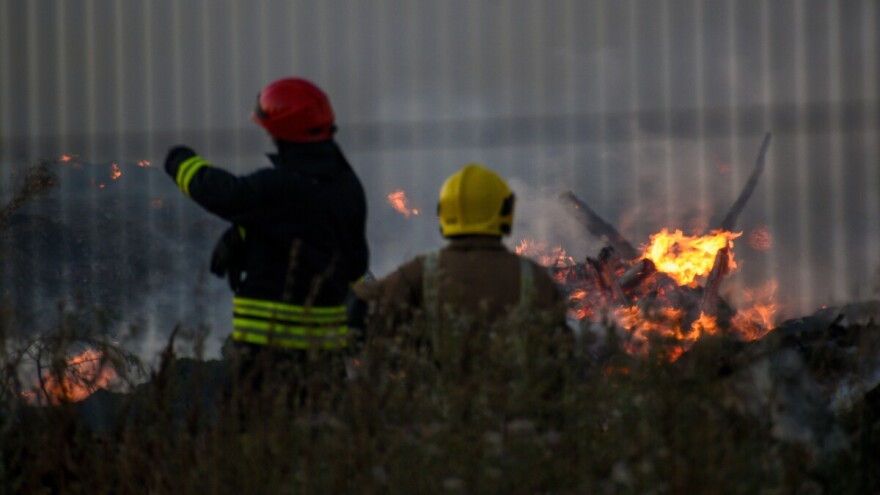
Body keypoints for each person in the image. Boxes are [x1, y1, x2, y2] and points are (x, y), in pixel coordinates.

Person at [164, 77, 369, 399]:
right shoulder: (348, 187)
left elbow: (224, 194)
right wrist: (245, 235)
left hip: (266, 357)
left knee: (255, 440)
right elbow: (357, 263)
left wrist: (180, 162)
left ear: (283, 132)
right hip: (325, 359)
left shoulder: (280, 186)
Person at [353, 163, 566, 344]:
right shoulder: (534, 278)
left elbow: (360, 313)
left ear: (445, 215)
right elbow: (562, 349)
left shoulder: (421, 272)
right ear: (505, 213)